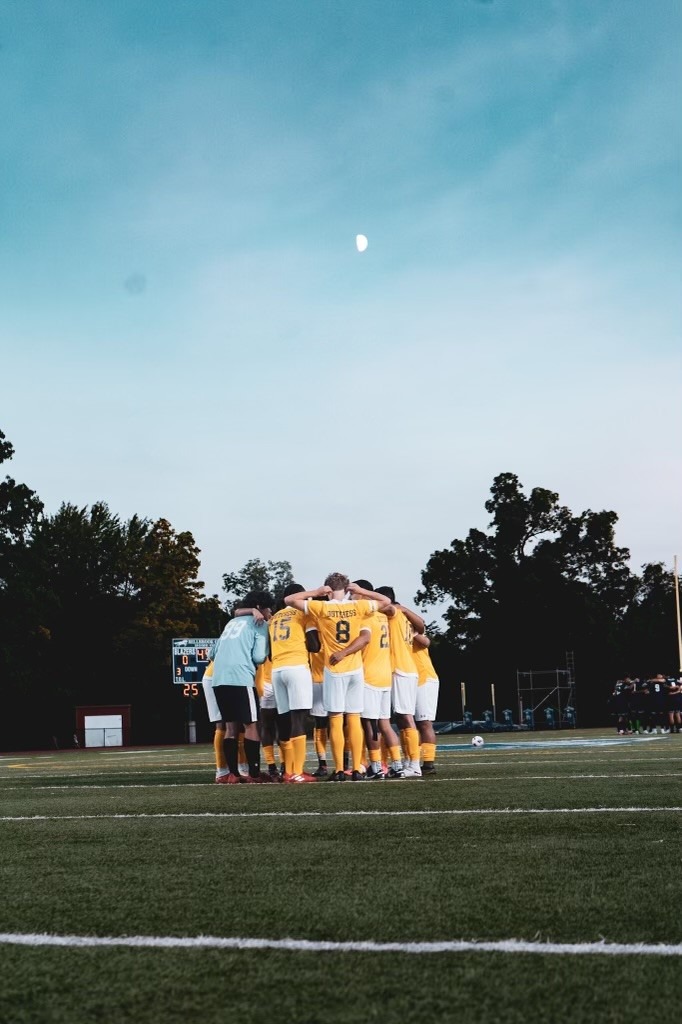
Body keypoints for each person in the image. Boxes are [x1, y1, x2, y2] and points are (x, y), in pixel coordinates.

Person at [285, 574, 391, 781]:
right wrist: (361, 591)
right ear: (346, 587)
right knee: (354, 718)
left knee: (335, 719)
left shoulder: (322, 607)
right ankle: (358, 769)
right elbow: (385, 601)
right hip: (356, 669)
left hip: (334, 668)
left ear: (328, 589)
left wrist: (315, 592)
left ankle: (340, 769)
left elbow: (289, 600)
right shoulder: (358, 606)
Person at [208, 590, 273, 783]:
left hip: (219, 678)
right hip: (240, 677)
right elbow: (259, 657)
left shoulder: (231, 622)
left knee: (230, 727)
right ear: (261, 607)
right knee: (251, 725)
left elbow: (212, 654)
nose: (270, 612)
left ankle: (233, 774)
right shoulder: (260, 624)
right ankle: (253, 773)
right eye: (269, 608)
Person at [352, 579, 405, 780]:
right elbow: (389, 606)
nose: (352, 597)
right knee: (385, 724)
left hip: (370, 676)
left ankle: (376, 767)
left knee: (370, 725)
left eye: (354, 592)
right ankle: (397, 765)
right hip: (384, 675)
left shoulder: (365, 615)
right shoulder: (383, 615)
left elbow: (363, 640)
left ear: (363, 593)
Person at [268, 583, 318, 783]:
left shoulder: (274, 618)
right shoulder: (304, 613)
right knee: (299, 720)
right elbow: (315, 646)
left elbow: (269, 652)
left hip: (277, 669)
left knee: (285, 721)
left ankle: (288, 770)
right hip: (296, 667)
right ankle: (297, 771)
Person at [376, 586, 425, 777]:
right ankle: (408, 762)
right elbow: (421, 625)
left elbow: (421, 626)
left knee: (406, 717)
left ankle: (414, 765)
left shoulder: (394, 613)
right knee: (401, 718)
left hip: (401, 670)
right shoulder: (402, 615)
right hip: (404, 669)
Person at [412, 632, 439, 772]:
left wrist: (412, 634)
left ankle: (428, 763)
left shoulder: (411, 627)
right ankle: (413, 762)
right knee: (410, 723)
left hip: (424, 678)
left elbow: (426, 642)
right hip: (410, 678)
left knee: (424, 722)